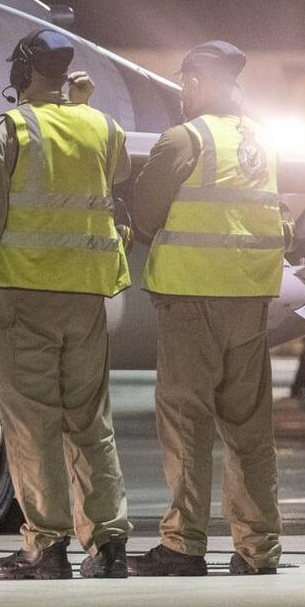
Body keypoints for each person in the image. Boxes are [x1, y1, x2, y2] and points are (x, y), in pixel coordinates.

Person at [0, 29, 134, 580]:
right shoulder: (102, 125)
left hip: (27, 299)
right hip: (87, 300)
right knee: (90, 424)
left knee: (31, 425)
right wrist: (80, 107)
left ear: (23, 70)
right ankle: (108, 547)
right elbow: (116, 169)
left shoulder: (8, 133)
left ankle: (45, 548)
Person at [126, 41, 284, 577]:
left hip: (192, 301)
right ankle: (258, 549)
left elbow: (145, 216)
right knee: (249, 431)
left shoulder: (184, 139)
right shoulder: (263, 141)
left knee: (187, 424)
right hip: (250, 303)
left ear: (193, 84)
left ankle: (183, 546)